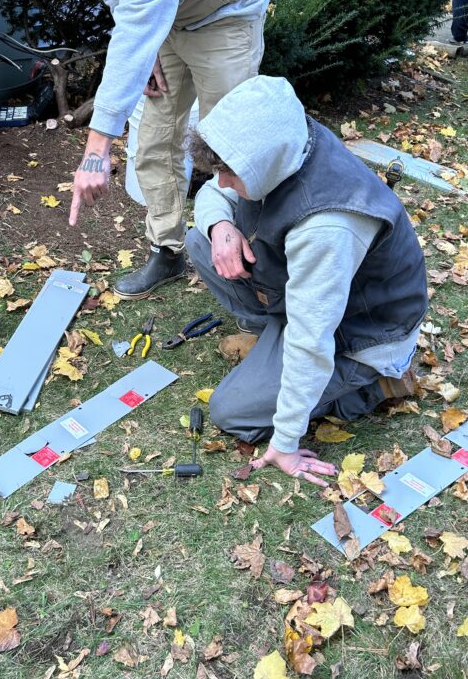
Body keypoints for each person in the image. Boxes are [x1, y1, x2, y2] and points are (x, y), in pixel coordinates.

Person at [23, 0, 276, 298]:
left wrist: (97, 145)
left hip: (224, 4)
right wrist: (147, 48)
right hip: (166, 11)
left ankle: (251, 254)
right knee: (157, 136)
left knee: (232, 141)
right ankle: (168, 250)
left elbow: (142, 18)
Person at [184, 76, 429, 483]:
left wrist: (284, 444)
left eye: (229, 172)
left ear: (263, 162)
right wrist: (219, 227)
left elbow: (312, 339)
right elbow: (216, 193)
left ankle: (374, 385)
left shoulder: (327, 228)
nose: (221, 180)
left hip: (359, 336)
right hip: (311, 297)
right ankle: (270, 339)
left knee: (232, 411)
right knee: (202, 239)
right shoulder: (282, 143)